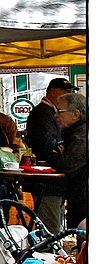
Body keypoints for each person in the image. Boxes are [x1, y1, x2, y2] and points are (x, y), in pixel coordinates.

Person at [25, 78, 75, 230]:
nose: (69, 94)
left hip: (54, 181)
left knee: (55, 225)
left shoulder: (49, 112)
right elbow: (46, 144)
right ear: (53, 92)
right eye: (65, 91)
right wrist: (60, 146)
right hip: (45, 181)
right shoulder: (41, 113)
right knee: (50, 228)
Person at [49, 92, 87, 231]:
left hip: (84, 200)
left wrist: (55, 155)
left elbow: (66, 165)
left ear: (76, 114)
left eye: (60, 111)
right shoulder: (76, 133)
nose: (56, 115)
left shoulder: (81, 137)